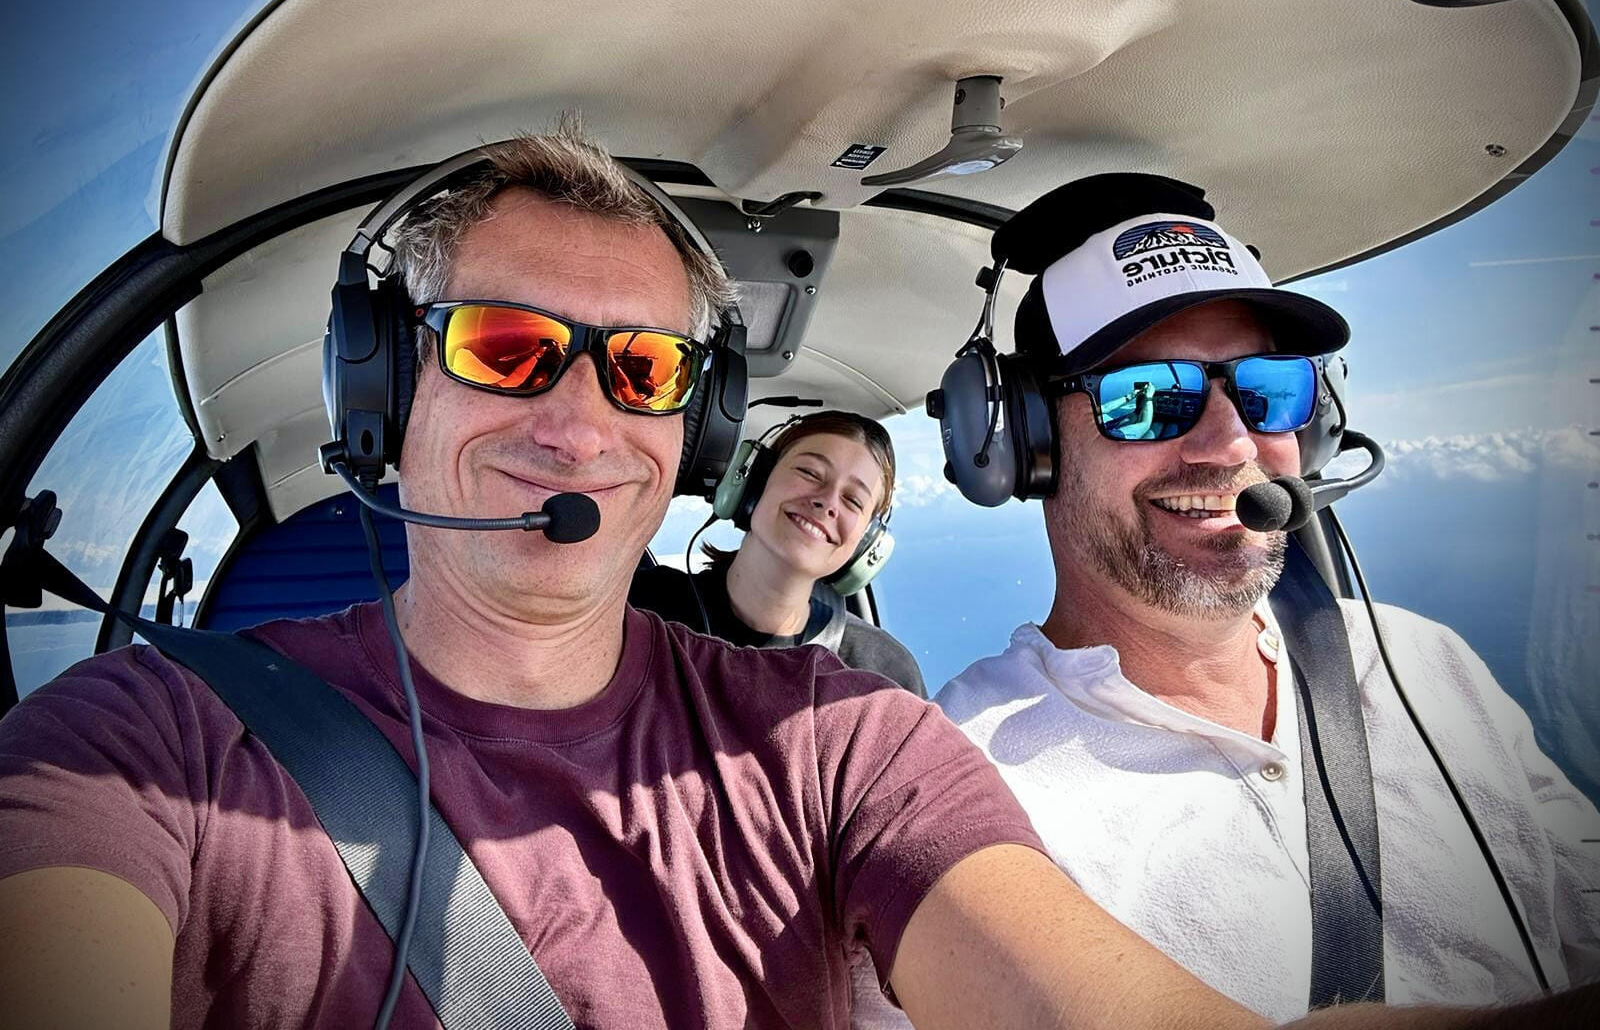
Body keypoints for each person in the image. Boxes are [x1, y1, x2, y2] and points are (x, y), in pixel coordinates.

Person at [0, 134, 1591, 1030]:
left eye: (640, 369)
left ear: (688, 434)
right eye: (506, 347)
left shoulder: (843, 738)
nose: (577, 419)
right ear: (379, 390)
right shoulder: (134, 744)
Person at [889, 172, 1600, 1025]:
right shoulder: (955, 786)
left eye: (1269, 391)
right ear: (1024, 442)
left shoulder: (1424, 664)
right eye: (1148, 400)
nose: (1231, 444)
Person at [632, 409, 926, 695]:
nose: (828, 502)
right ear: (754, 481)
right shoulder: (636, 605)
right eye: (809, 472)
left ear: (865, 544)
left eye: (853, 500)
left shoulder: (884, 672)